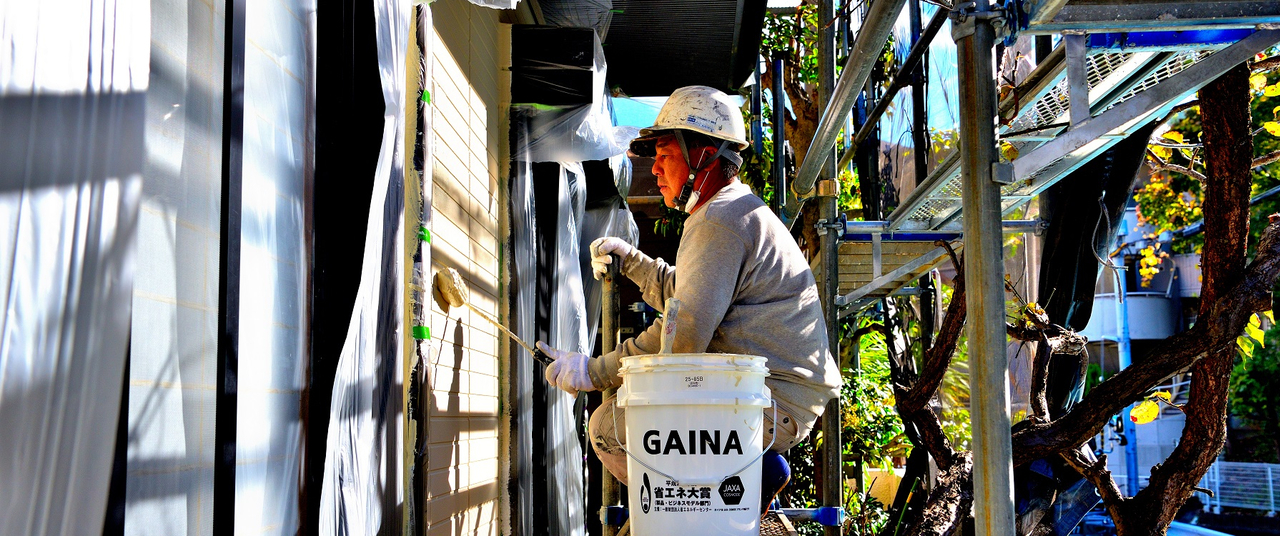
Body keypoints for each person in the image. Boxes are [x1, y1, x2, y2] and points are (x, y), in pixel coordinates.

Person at [535, 85, 841, 510]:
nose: (654, 169)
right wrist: (633, 261)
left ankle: (716, 503)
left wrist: (595, 371)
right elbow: (692, 298)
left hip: (771, 403)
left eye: (663, 155)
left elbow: (680, 342)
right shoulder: (730, 211)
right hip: (770, 394)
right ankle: (742, 481)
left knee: (610, 426)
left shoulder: (720, 221)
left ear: (700, 155)